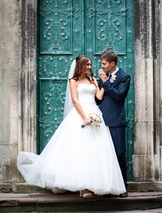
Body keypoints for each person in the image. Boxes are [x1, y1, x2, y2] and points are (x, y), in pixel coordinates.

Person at [17, 55, 126, 198]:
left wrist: (104, 82)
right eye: (87, 65)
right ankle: (83, 188)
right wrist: (84, 117)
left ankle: (93, 185)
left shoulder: (93, 80)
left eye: (90, 65)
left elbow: (99, 97)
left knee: (96, 151)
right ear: (80, 66)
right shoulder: (73, 81)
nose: (90, 67)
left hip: (95, 115)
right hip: (80, 116)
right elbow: (75, 101)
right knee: (80, 150)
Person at [98, 50, 131, 198]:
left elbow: (118, 96)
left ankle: (122, 187)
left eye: (104, 63)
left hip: (116, 121)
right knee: (105, 155)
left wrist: (105, 83)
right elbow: (99, 99)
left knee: (119, 154)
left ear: (112, 63)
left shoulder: (124, 77)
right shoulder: (103, 77)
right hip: (101, 121)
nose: (102, 66)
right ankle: (108, 187)